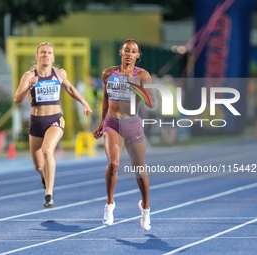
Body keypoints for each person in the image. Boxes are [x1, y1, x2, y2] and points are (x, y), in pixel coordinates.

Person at [14, 42, 92, 208]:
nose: (45, 55)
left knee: (47, 151)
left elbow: (70, 89)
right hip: (36, 122)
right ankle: (45, 176)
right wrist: (29, 86)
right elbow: (17, 99)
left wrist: (84, 102)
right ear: (37, 56)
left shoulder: (59, 73)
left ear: (53, 57)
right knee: (37, 165)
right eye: (42, 52)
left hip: (55, 120)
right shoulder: (28, 76)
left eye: (49, 53)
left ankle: (48, 193)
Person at [93, 39, 155, 230]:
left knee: (140, 170)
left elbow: (151, 103)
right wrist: (102, 122)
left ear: (137, 55)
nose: (129, 53)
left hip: (132, 125)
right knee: (113, 164)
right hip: (112, 124)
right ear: (121, 52)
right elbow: (105, 98)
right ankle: (109, 204)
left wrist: (134, 85)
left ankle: (145, 208)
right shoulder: (108, 74)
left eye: (133, 51)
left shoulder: (143, 75)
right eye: (126, 50)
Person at [159, 75, 180, 146]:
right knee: (173, 127)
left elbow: (160, 100)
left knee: (163, 126)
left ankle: (164, 140)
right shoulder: (174, 88)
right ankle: (172, 141)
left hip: (165, 111)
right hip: (174, 111)